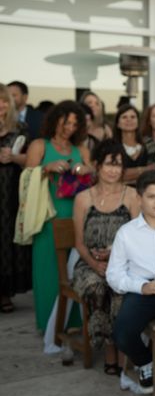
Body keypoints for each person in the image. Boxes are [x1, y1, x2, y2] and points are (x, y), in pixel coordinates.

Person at [72, 139, 139, 375]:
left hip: (123, 261)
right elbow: (79, 243)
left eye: (118, 165)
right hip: (89, 264)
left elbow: (137, 237)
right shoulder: (83, 199)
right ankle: (109, 349)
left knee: (121, 290)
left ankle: (123, 350)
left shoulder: (131, 196)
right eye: (109, 164)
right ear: (98, 166)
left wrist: (115, 256)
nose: (113, 170)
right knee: (99, 287)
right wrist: (95, 263)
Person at [24, 100, 93, 331]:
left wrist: (86, 170)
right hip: (48, 215)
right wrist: (46, 168)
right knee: (48, 269)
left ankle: (73, 322)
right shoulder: (39, 145)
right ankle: (48, 325)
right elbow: (25, 180)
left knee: (75, 269)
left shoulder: (81, 150)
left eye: (75, 123)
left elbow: (96, 175)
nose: (69, 127)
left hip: (76, 215)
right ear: (55, 120)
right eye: (66, 122)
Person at [108, 170, 155, 394]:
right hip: (143, 291)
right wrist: (142, 287)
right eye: (152, 196)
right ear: (139, 198)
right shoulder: (126, 233)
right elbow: (114, 275)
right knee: (122, 333)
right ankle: (146, 362)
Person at [0, 84, 30, 313]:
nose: (0, 105)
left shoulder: (21, 128)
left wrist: (13, 157)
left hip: (10, 191)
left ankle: (5, 293)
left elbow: (30, 160)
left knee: (7, 238)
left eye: (4, 100)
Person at [113, 104, 155, 186]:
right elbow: (114, 174)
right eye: (124, 117)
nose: (129, 120)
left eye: (133, 117)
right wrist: (144, 169)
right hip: (120, 193)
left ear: (138, 122)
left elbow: (153, 170)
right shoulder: (112, 146)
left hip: (146, 192)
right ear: (118, 124)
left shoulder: (149, 143)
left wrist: (128, 174)